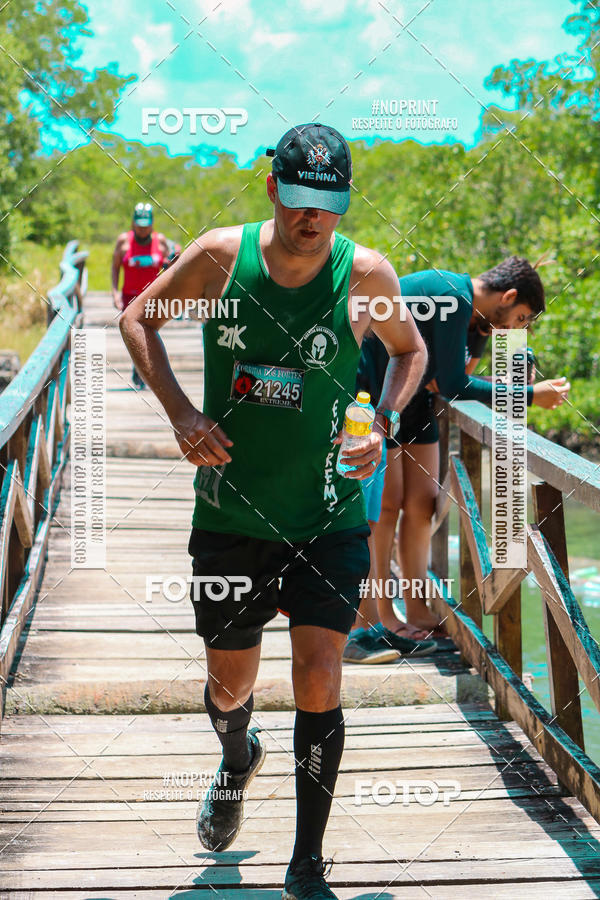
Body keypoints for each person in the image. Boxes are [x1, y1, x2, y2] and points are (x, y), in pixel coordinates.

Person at [119, 123, 428, 900]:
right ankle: (237, 754)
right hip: (232, 514)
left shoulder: (367, 273)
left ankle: (306, 865)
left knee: (320, 676)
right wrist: (182, 414)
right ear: (272, 190)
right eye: (296, 199)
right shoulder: (222, 257)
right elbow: (138, 318)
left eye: (326, 203)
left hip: (328, 517)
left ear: (344, 202)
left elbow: (411, 350)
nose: (310, 217)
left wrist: (383, 421)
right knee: (230, 686)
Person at [348, 261, 570, 662]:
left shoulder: (476, 318)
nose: (516, 330)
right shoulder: (453, 295)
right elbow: (454, 384)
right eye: (520, 318)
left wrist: (485, 345)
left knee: (422, 504)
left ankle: (416, 607)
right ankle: (379, 618)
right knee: (385, 507)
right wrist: (530, 395)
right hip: (377, 391)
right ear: (508, 296)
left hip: (416, 400)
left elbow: (452, 379)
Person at [112, 201, 168, 388]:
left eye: (146, 226)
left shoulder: (160, 242)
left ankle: (142, 370)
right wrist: (115, 293)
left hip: (153, 297)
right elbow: (115, 267)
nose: (142, 229)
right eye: (139, 225)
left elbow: (170, 268)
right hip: (130, 296)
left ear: (152, 224)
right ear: (133, 222)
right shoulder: (124, 241)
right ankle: (138, 367)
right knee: (133, 334)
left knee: (149, 333)